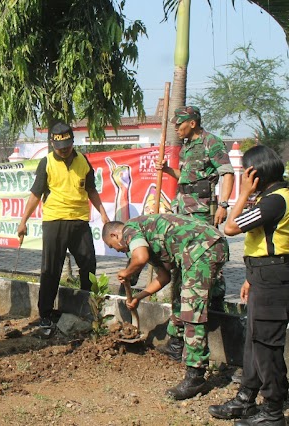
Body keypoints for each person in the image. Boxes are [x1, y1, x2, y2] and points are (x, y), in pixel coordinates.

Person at [102, 214, 228, 400]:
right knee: (179, 297)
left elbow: (140, 257)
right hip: (200, 248)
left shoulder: (130, 229)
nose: (120, 252)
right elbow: (164, 277)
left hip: (202, 247)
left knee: (192, 311)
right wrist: (139, 297)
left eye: (115, 247)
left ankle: (196, 376)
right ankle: (177, 346)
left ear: (115, 235)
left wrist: (127, 272)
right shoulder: (147, 238)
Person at [208, 146, 289, 425]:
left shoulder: (275, 201)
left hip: (273, 279)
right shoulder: (271, 198)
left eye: (247, 171)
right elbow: (266, 241)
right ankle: (247, 397)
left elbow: (230, 228)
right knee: (254, 341)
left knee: (267, 345)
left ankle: (273, 411)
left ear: (255, 174)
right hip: (263, 276)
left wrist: (241, 194)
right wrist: (249, 277)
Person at [17, 121, 110, 338]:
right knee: (51, 269)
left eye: (67, 144)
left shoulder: (83, 161)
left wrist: (103, 214)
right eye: (60, 146)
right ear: (52, 144)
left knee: (88, 264)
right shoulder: (46, 163)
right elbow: (35, 195)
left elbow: (91, 190)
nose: (64, 149)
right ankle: (46, 314)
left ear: (72, 141)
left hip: (79, 221)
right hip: (54, 221)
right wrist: (23, 221)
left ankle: (89, 308)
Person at [156, 105, 235, 359]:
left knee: (205, 266)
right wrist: (169, 171)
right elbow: (187, 178)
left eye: (180, 124)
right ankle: (178, 335)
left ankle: (215, 307)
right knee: (181, 269)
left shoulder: (212, 142)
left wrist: (223, 205)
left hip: (202, 213)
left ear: (192, 122)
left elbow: (227, 173)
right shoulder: (187, 146)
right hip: (183, 211)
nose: (177, 129)